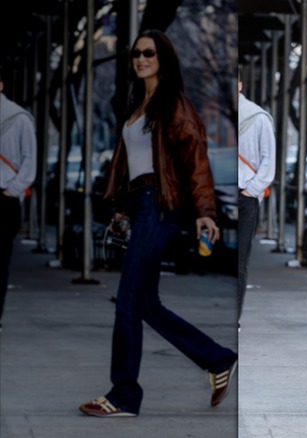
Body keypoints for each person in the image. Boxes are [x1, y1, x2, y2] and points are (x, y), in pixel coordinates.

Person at [79, 30, 238, 417]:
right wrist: (121, 209)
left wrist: (206, 211)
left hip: (160, 204)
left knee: (127, 300)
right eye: (135, 53)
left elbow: (196, 161)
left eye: (148, 53)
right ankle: (217, 359)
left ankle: (123, 395)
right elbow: (130, 164)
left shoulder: (174, 105)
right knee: (145, 302)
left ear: (163, 58)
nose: (140, 59)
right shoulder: (138, 104)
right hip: (139, 203)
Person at [237, 65, 275, 320]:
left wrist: (250, 191)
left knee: (239, 262)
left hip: (244, 196)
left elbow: (268, 160)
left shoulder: (258, 117)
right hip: (219, 196)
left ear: (240, 84)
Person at [0, 71, 37, 331]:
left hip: (4, 197)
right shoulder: (21, 117)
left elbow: (29, 161)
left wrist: (11, 190)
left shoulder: (19, 117)